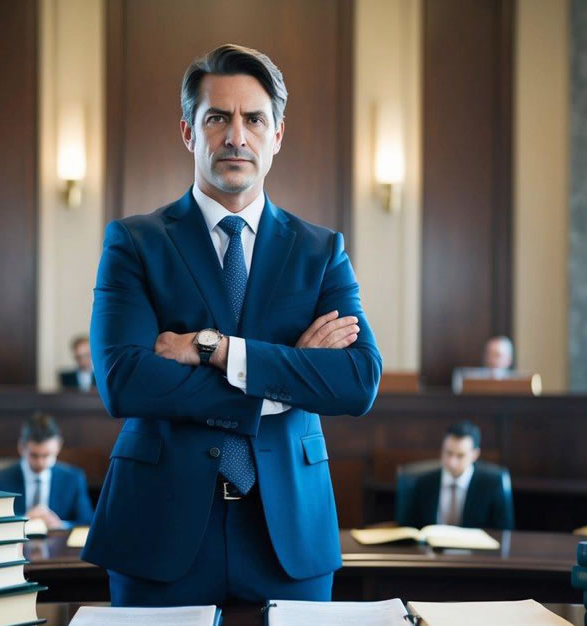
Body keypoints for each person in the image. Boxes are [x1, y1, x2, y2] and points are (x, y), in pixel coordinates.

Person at [83, 44, 382, 606]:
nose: (235, 136)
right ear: (188, 132)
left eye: (254, 119)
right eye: (217, 117)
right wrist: (282, 380)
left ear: (278, 135)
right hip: (158, 527)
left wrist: (216, 349)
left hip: (290, 532)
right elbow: (124, 380)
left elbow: (358, 380)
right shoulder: (134, 242)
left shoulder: (320, 251)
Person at [0, 413, 94, 529]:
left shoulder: (73, 478)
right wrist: (23, 520)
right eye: (34, 455)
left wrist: (60, 525)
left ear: (58, 446)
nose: (40, 462)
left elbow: (87, 523)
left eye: (47, 455)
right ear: (21, 448)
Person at [399, 421, 514, 530]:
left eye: (460, 455)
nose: (452, 462)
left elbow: (504, 532)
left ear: (475, 454)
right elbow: (408, 527)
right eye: (448, 453)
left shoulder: (492, 484)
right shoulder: (422, 483)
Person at [451, 335, 516, 393]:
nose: (492, 359)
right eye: (489, 354)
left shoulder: (516, 382)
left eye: (497, 355)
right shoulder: (469, 378)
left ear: (509, 359)